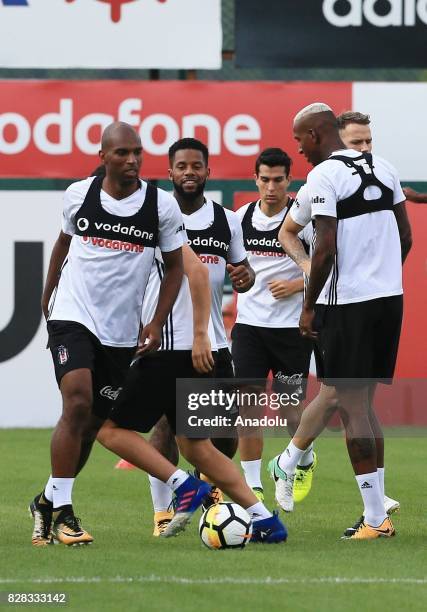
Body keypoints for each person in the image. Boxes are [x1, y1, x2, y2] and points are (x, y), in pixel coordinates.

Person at [29, 121, 211, 546]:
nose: (132, 161)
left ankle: (47, 502)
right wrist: (49, 289)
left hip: (120, 331)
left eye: (137, 153)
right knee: (77, 400)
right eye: (122, 154)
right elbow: (63, 242)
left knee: (90, 426)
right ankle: (65, 514)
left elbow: (176, 269)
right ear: (103, 157)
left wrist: (155, 322)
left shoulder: (161, 207)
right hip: (73, 314)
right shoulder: (79, 195)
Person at [269, 103, 412, 540]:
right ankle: (371, 508)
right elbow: (405, 235)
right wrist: (381, 272)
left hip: (347, 303)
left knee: (350, 406)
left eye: (299, 141)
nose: (299, 150)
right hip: (388, 300)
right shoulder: (384, 168)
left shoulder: (323, 177)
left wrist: (310, 305)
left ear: (315, 135)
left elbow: (326, 247)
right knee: (360, 404)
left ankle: (374, 519)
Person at [96, 234, 286, 543]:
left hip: (168, 351)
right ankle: (265, 520)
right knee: (197, 447)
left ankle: (183, 485)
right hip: (191, 354)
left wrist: (200, 335)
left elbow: (197, 272)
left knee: (107, 428)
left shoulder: (157, 223)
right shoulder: (147, 229)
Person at [144, 137, 255, 535]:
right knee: (164, 427)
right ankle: (161, 514)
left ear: (208, 171)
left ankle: (197, 490)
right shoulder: (153, 215)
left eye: (196, 166)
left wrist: (246, 277)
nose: (189, 172)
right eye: (181, 166)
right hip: (168, 339)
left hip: (214, 340)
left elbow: (242, 273)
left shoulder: (227, 219)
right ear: (169, 172)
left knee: (224, 435)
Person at [231, 148, 314, 504]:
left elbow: (330, 267)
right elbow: (231, 266)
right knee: (248, 404)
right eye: (264, 179)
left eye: (278, 180)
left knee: (289, 408)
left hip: (292, 329)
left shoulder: (303, 220)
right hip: (249, 326)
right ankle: (252, 486)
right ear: (255, 179)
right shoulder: (241, 218)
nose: (271, 187)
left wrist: (297, 285)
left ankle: (302, 459)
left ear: (289, 181)